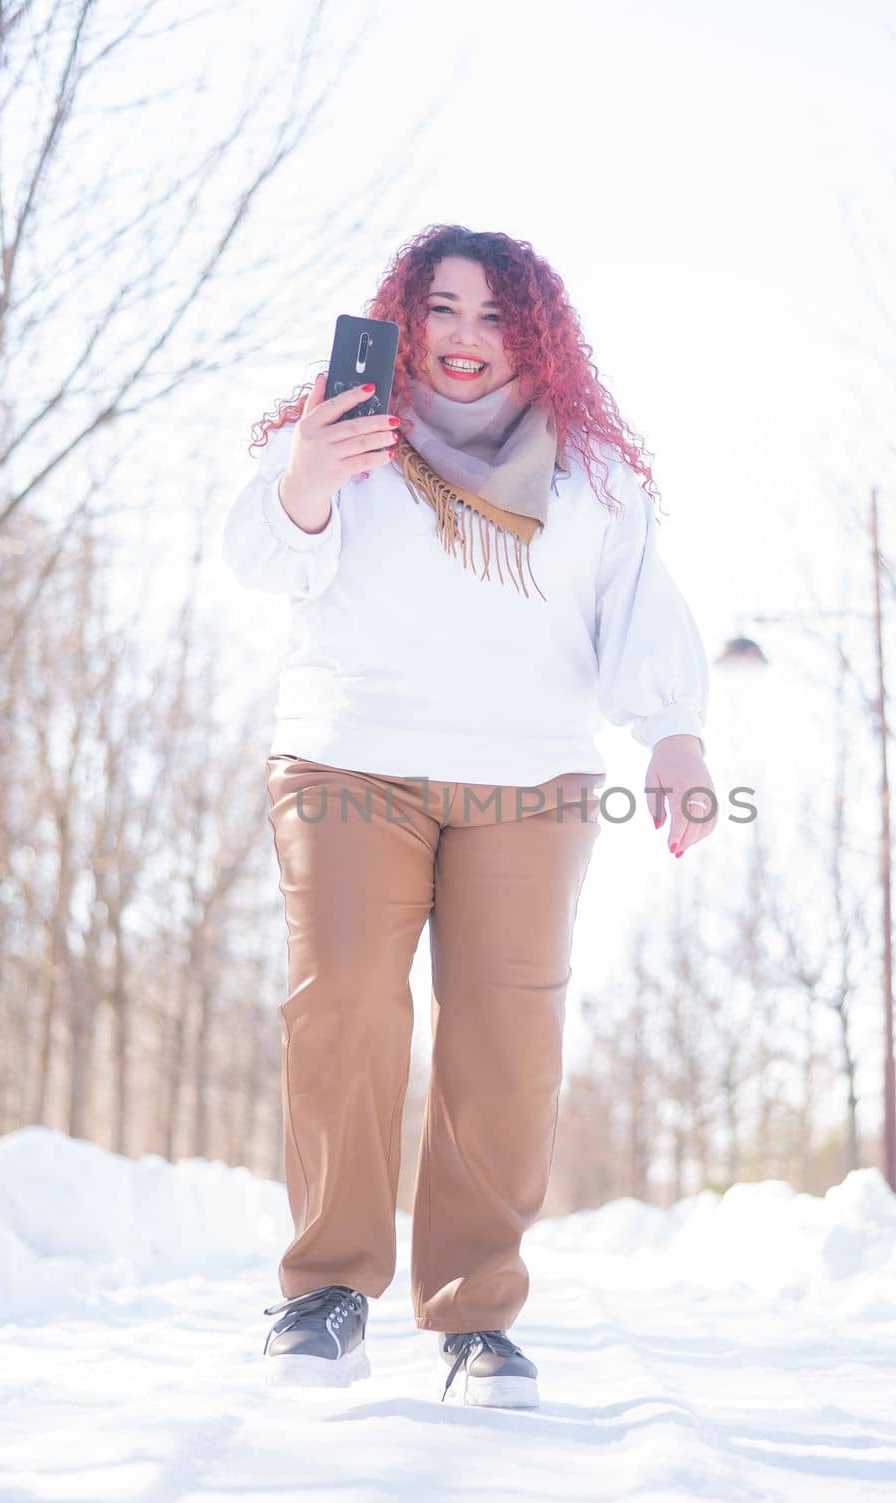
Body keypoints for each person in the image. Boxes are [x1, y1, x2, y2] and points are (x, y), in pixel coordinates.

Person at [221, 224, 718, 1410]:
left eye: (496, 316)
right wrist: (308, 476)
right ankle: (327, 1290)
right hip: (352, 762)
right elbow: (262, 558)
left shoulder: (595, 476)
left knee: (505, 1038)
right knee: (342, 998)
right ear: (405, 315)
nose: (464, 339)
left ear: (535, 332)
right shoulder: (350, 441)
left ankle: (475, 1313)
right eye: (442, 310)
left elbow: (639, 611)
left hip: (531, 778)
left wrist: (676, 732)